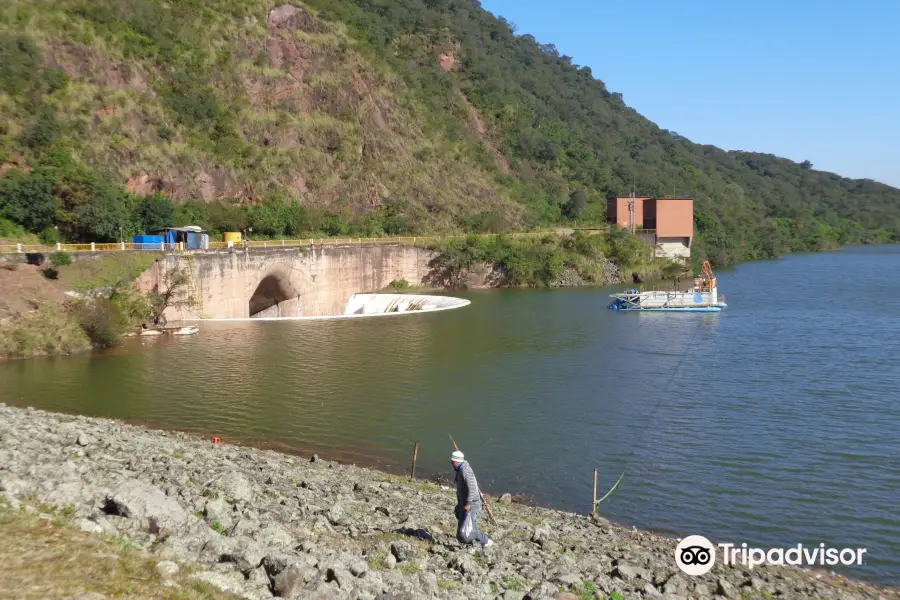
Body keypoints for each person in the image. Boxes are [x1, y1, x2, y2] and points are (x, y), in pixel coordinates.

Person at [451, 450, 492, 549]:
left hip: (472, 504)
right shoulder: (460, 470)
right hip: (464, 503)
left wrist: (468, 503)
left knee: (469, 527)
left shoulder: (466, 471)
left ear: (457, 461)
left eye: (452, 461)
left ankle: (485, 541)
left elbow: (473, 488)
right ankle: (469, 546)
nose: (451, 463)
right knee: (464, 528)